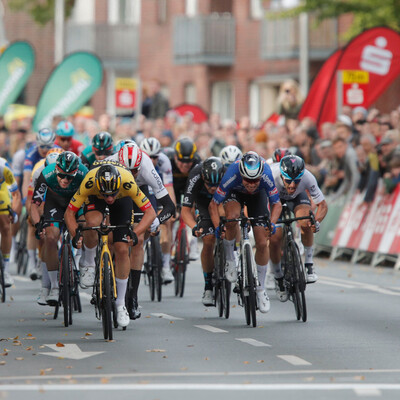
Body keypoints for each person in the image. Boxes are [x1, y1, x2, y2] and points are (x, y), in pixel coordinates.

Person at [64, 162, 156, 328]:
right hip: (94, 200)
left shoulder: (128, 182)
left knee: (122, 248)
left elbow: (150, 212)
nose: (109, 198)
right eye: (106, 195)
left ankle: (120, 304)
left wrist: (136, 232)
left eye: (112, 194)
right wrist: (75, 235)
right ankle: (89, 263)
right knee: (92, 222)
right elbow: (69, 213)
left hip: (123, 202)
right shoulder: (90, 182)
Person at [209, 151, 282, 313]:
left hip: (258, 197)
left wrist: (272, 223)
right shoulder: (232, 173)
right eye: (247, 180)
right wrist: (217, 227)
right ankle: (230, 259)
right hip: (235, 193)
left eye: (255, 180)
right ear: (241, 173)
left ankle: (261, 290)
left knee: (263, 242)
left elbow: (276, 204)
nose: (251, 184)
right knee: (232, 217)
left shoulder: (266, 175)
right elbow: (213, 205)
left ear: (260, 176)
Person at [111, 143, 175, 319]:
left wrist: (156, 221)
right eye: (127, 170)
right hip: (115, 193)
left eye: (135, 171)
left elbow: (170, 207)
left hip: (140, 193)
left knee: (138, 241)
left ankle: (132, 296)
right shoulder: (110, 163)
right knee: (111, 236)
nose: (131, 174)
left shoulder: (146, 166)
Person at [30, 152, 88, 306]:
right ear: (56, 170)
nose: (65, 180)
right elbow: (34, 204)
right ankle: (54, 287)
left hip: (77, 202)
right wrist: (37, 224)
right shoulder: (46, 174)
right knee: (50, 238)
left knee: (86, 227)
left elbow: (91, 203)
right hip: (54, 203)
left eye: (70, 177)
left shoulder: (84, 174)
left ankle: (83, 262)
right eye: (61, 176)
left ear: (76, 172)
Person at [269, 155, 328, 299]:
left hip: (297, 198)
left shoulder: (308, 177)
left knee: (306, 221)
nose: (292, 185)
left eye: (297, 181)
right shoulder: (271, 175)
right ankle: (277, 276)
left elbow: (323, 205)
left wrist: (316, 222)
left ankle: (309, 264)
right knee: (275, 237)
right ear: (282, 176)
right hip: (273, 197)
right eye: (288, 181)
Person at [181, 157, 225, 305]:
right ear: (203, 178)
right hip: (203, 203)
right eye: (209, 184)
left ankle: (234, 257)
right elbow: (185, 211)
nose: (212, 188)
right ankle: (208, 287)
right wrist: (194, 227)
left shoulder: (226, 174)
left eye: (215, 185)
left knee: (231, 221)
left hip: (222, 202)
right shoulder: (195, 175)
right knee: (208, 239)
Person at [22, 128, 58, 279]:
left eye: (48, 146)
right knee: (33, 222)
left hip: (56, 184)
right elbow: (26, 182)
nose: (44, 150)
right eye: (41, 146)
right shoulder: (31, 156)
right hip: (37, 183)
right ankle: (32, 262)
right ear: (37, 144)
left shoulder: (59, 152)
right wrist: (26, 203)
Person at [140, 137, 176, 283]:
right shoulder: (139, 162)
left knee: (167, 222)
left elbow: (169, 188)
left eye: (155, 157)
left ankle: (166, 265)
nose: (153, 160)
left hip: (158, 189)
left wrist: (172, 211)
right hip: (143, 192)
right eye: (149, 157)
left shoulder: (164, 162)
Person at [0, 158, 21, 287]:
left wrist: (13, 211)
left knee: (6, 226)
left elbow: (15, 194)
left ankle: (6, 271)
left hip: (2, 194)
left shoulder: (4, 169)